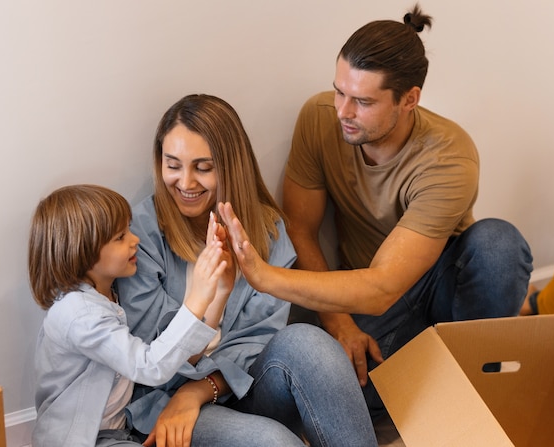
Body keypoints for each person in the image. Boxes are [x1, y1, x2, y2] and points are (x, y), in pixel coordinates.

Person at [217, 4, 533, 420]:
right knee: (345, 390)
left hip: (438, 285)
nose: (343, 111)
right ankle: (432, 375)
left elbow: (385, 285)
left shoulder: (449, 156)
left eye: (363, 101)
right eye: (339, 91)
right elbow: (300, 229)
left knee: (498, 243)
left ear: (409, 100)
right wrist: (340, 323)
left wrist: (266, 276)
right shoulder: (320, 117)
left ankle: (476, 374)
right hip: (367, 295)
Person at [116, 94, 377, 447]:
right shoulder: (139, 238)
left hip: (240, 386)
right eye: (173, 164)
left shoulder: (268, 232)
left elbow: (259, 341)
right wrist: (210, 301)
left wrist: (201, 389)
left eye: (203, 167)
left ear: (230, 166)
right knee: (277, 443)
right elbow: (155, 359)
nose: (186, 182)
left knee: (311, 341)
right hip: (166, 401)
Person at [28, 184, 228, 447]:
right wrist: (197, 300)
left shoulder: (106, 295)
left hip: (117, 432)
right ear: (83, 251)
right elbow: (149, 366)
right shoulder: (80, 315)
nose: (136, 240)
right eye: (120, 237)